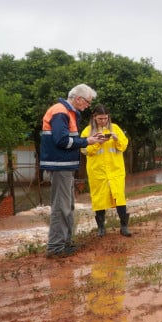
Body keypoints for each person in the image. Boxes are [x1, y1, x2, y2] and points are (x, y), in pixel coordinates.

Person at [40, 84, 106, 258]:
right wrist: (87, 142)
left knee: (67, 207)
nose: (87, 106)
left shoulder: (68, 112)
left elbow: (70, 139)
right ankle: (55, 248)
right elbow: (62, 140)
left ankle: (66, 243)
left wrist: (87, 140)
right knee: (60, 207)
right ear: (78, 99)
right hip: (59, 166)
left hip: (66, 166)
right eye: (87, 102)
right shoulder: (60, 112)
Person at [80, 104, 132, 237]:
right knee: (99, 200)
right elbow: (84, 150)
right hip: (98, 172)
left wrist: (116, 139)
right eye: (100, 119)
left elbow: (124, 146)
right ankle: (101, 228)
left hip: (116, 171)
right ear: (94, 117)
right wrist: (97, 142)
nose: (103, 121)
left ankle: (124, 227)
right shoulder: (87, 131)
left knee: (119, 197)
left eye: (105, 118)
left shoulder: (115, 128)